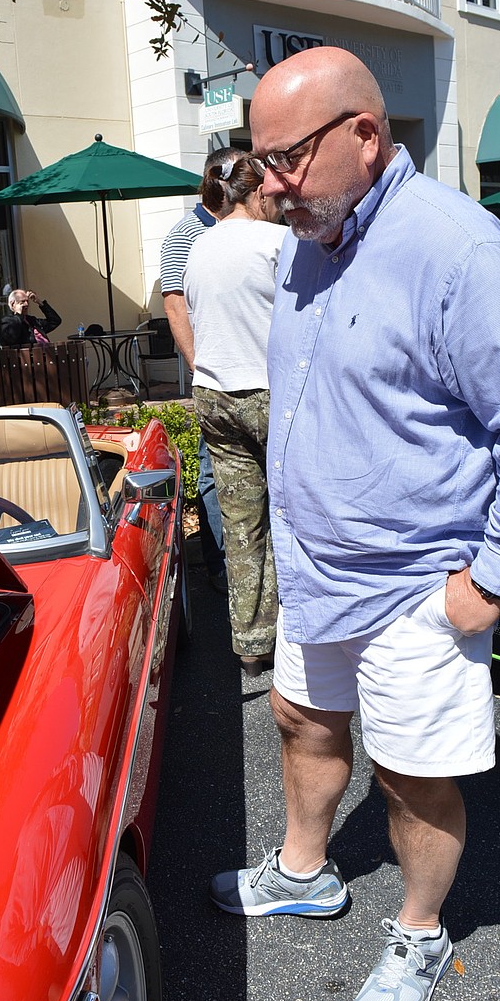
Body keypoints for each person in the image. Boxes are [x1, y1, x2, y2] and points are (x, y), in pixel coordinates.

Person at [209, 47, 500, 1001]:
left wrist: (491, 579)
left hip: (418, 582)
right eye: (257, 162)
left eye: (285, 157)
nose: (269, 183)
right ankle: (302, 873)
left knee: (412, 773)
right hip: (319, 567)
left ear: (366, 136)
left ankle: (420, 927)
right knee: (299, 718)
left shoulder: (455, 249)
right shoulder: (313, 234)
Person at [184, 154, 286, 675]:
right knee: (296, 515)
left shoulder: (198, 247)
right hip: (268, 392)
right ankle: (307, 633)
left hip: (212, 393)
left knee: (241, 522)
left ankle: (250, 641)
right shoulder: (277, 243)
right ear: (256, 192)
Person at [160, 145, 242, 595]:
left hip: (252, 374)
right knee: (213, 473)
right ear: (221, 180)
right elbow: (175, 306)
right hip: (216, 377)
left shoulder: (253, 228)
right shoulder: (185, 235)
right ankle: (222, 567)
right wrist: (201, 369)